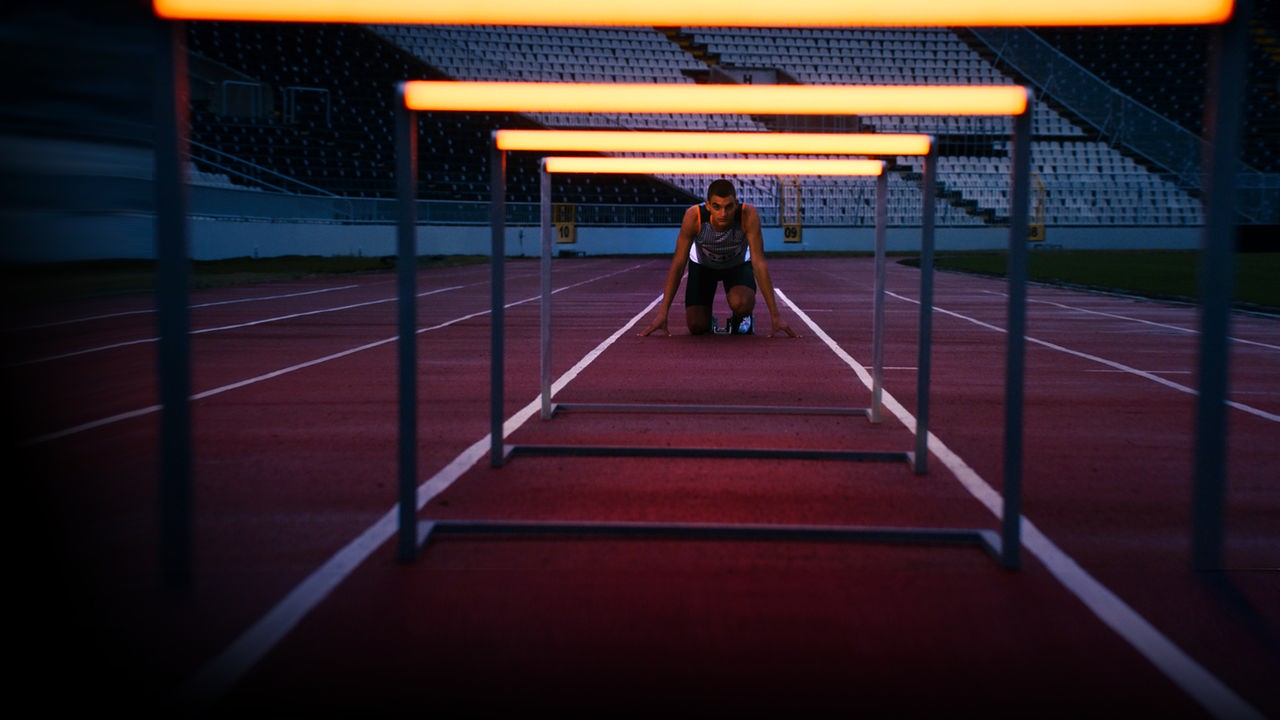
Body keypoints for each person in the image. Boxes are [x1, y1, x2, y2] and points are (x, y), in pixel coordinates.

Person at [639, 178, 798, 338]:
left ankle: (742, 318)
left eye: (728, 207)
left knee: (742, 303)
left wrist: (775, 316)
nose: (723, 214)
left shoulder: (747, 215)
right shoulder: (694, 217)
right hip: (703, 266)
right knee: (696, 325)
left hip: (736, 265)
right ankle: (708, 320)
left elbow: (759, 264)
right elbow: (679, 264)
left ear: (736, 204)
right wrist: (663, 313)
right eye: (717, 207)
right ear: (708, 205)